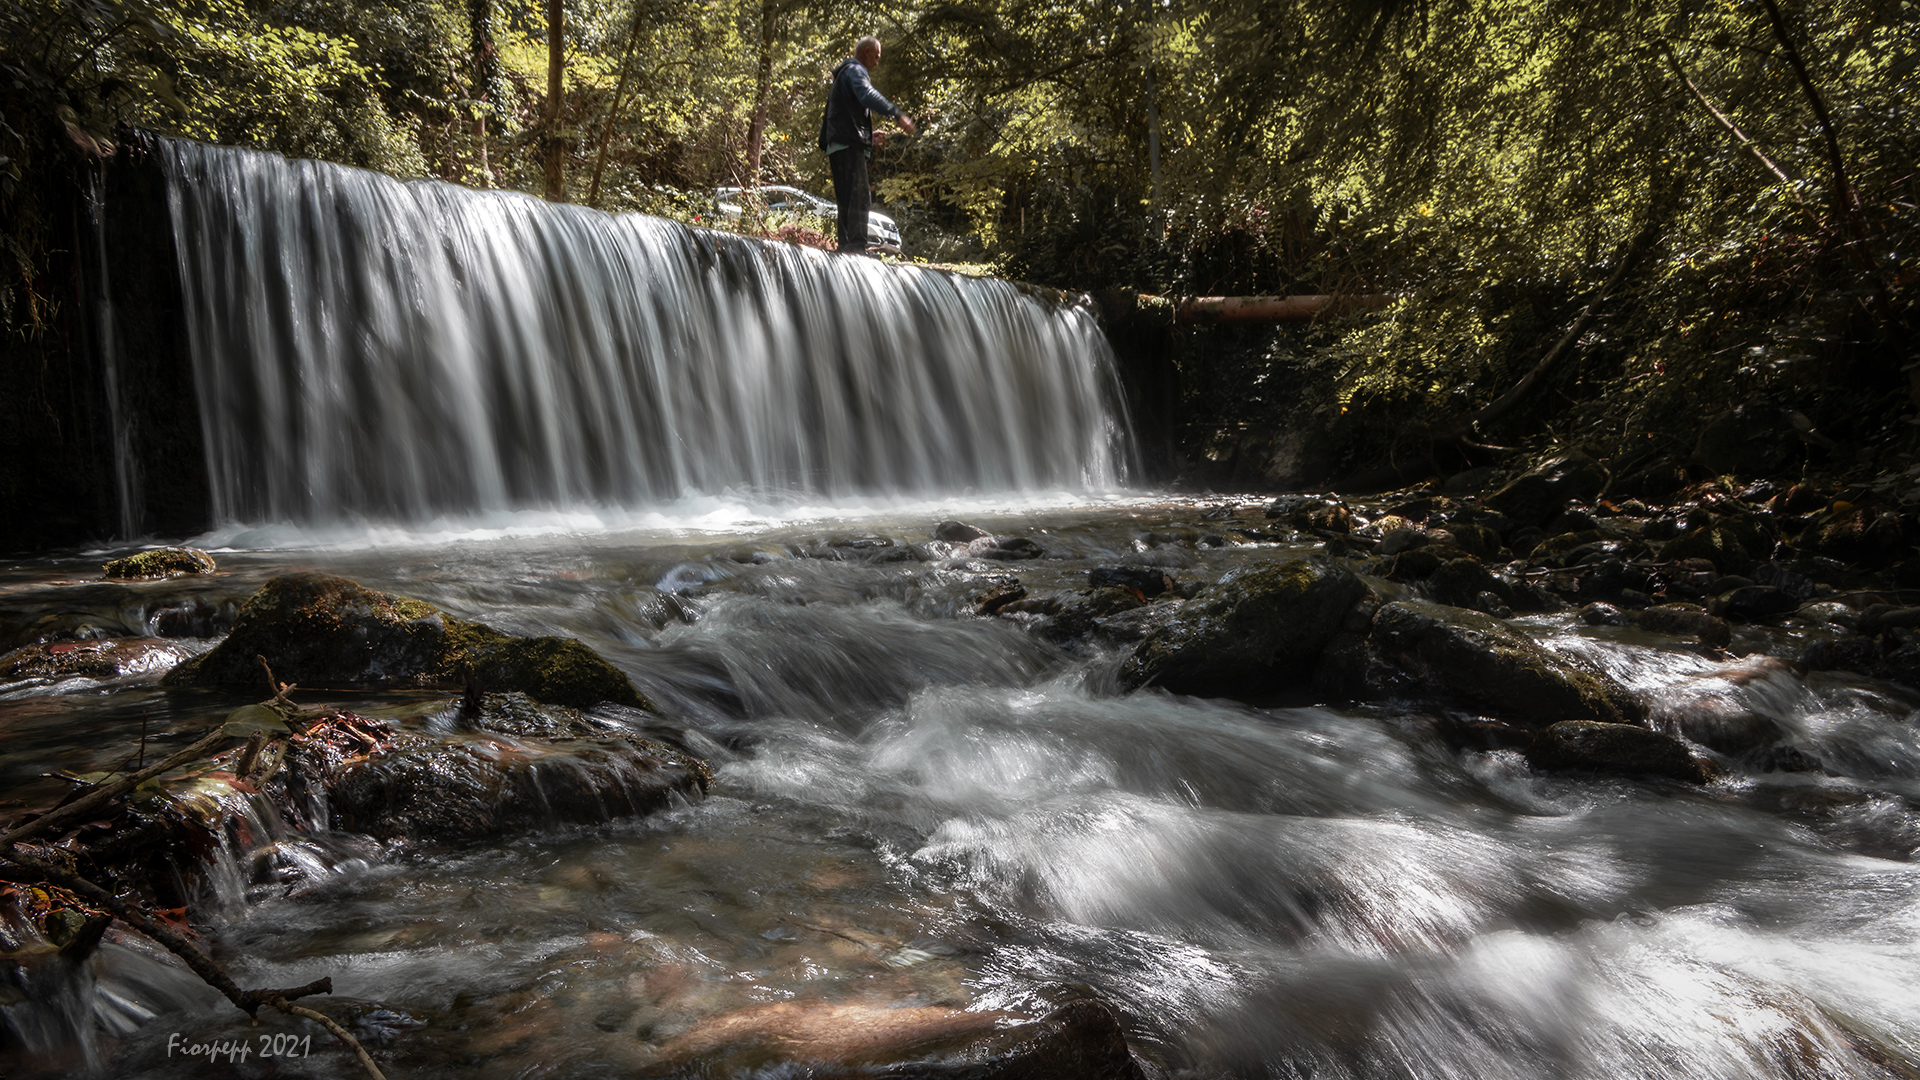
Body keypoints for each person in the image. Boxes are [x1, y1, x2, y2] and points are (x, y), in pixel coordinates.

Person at [818, 36, 914, 254]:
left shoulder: (843, 75)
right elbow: (866, 94)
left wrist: (868, 137)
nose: (877, 62)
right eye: (877, 56)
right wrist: (896, 114)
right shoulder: (855, 70)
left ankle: (845, 245)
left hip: (838, 145)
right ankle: (856, 247)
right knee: (860, 197)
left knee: (846, 200)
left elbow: (843, 116)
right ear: (868, 51)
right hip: (848, 146)